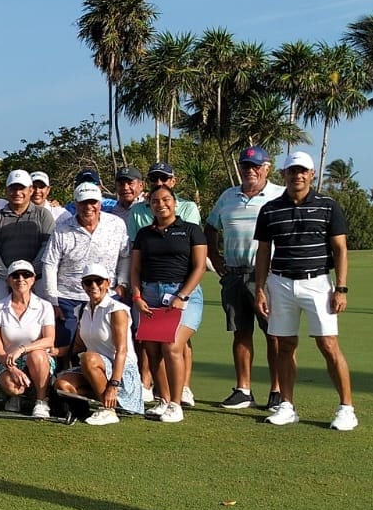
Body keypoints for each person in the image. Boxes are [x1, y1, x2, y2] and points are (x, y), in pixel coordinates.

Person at [253, 151, 355, 430]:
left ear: (311, 174)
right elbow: (263, 253)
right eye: (292, 171)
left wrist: (341, 288)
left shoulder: (328, 206)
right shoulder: (270, 209)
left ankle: (346, 408)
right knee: (284, 345)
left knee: (328, 344)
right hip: (281, 282)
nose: (297, 175)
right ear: (283, 175)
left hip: (318, 282)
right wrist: (260, 289)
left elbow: (340, 249)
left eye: (303, 171)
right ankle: (287, 405)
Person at [205, 146, 288, 410]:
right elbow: (210, 227)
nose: (250, 171)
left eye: (255, 166)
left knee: (273, 333)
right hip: (233, 273)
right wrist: (215, 259)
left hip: (267, 275)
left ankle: (277, 391)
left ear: (267, 168)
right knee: (240, 332)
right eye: (245, 166)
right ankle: (243, 390)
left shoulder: (280, 195)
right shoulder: (228, 196)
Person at [130, 185, 207, 424]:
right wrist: (137, 296)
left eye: (165, 199)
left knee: (172, 346)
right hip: (150, 294)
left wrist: (182, 295)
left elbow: (199, 267)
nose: (160, 204)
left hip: (184, 294)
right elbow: (135, 268)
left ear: (174, 202)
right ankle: (163, 400)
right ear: (149, 204)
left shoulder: (191, 230)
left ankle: (176, 403)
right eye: (154, 200)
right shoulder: (144, 234)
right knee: (151, 349)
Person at [40, 182, 131, 364]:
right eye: (83, 203)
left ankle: (108, 382)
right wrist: (54, 300)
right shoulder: (62, 228)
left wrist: (122, 284)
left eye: (93, 202)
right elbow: (50, 264)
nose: (88, 207)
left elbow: (125, 256)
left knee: (107, 342)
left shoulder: (116, 224)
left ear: (99, 202)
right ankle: (61, 383)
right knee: (66, 345)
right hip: (68, 297)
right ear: (76, 203)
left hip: (107, 295)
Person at [54, 262, 143, 426]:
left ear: (108, 283)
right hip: (94, 369)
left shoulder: (117, 310)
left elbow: (122, 351)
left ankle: (109, 410)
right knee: (62, 385)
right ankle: (104, 404)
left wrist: (114, 385)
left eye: (99, 281)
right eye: (88, 282)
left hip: (121, 372)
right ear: (83, 285)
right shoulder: (81, 310)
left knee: (88, 358)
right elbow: (79, 346)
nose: (93, 286)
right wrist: (51, 351)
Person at [0, 259, 57, 418]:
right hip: (8, 360)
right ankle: (16, 396)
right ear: (8, 280)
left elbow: (49, 340)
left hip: (38, 358)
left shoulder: (45, 306)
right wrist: (11, 368)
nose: (21, 279)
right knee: (14, 387)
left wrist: (22, 349)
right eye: (15, 275)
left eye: (26, 275)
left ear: (33, 279)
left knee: (37, 355)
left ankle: (41, 400)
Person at [0, 169, 56, 307]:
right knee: (1, 320)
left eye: (21, 188)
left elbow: (47, 248)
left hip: (37, 278)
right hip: (4, 280)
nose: (17, 193)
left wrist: (28, 276)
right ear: (6, 190)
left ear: (30, 190)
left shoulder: (43, 215)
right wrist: (9, 277)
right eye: (13, 188)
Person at [127, 163, 202, 235]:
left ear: (173, 181)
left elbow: (190, 238)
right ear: (148, 182)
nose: (159, 183)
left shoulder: (188, 208)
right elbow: (133, 242)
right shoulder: (136, 210)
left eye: (164, 178)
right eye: (154, 179)